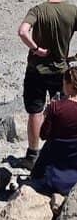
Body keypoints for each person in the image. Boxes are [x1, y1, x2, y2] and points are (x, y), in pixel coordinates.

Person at [18, 0, 77, 167]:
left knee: (35, 111)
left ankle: (33, 155)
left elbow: (22, 31)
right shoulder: (72, 11)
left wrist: (36, 49)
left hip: (36, 69)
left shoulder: (37, 10)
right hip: (61, 70)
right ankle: (60, 153)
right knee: (62, 109)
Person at [31, 64, 77, 195]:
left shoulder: (56, 107)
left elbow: (43, 135)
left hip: (55, 170)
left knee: (49, 145)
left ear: (68, 85)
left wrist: (47, 113)